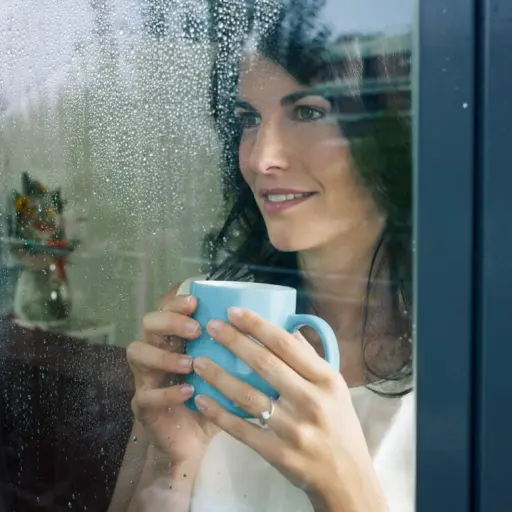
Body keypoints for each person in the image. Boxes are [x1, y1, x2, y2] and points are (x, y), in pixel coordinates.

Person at [109, 3, 414, 511]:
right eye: (249, 119)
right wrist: (170, 461)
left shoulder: (467, 365)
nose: (261, 157)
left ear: (388, 136)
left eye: (310, 112)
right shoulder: (194, 321)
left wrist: (343, 488)